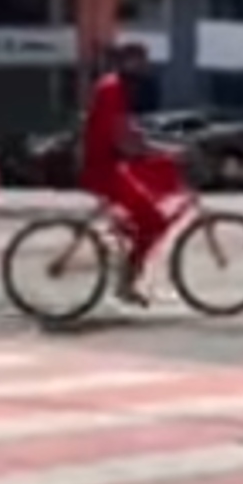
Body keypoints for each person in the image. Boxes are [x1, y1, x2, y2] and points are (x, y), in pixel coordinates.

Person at [80, 44, 172, 304]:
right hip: (103, 169)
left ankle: (125, 262)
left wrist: (157, 148)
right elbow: (122, 139)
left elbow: (127, 132)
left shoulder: (115, 87)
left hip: (107, 166)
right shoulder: (113, 89)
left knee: (138, 219)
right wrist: (150, 152)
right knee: (154, 222)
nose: (144, 68)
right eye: (140, 62)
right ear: (127, 62)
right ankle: (127, 283)